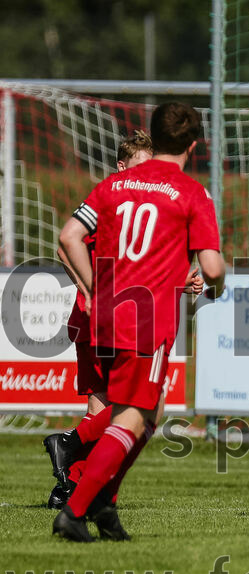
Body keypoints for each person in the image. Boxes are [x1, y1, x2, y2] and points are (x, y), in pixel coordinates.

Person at [53, 102, 225, 542]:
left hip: (108, 314)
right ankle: (76, 508)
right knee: (134, 416)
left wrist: (95, 289)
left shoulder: (112, 185)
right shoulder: (191, 193)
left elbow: (69, 236)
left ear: (154, 134)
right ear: (193, 144)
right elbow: (213, 267)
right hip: (146, 318)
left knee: (145, 412)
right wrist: (218, 287)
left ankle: (105, 504)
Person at [46, 131, 155, 510]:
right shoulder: (108, 196)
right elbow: (65, 244)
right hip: (100, 319)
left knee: (105, 408)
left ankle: (70, 486)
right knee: (135, 406)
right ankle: (77, 468)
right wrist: (91, 292)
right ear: (122, 167)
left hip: (119, 316)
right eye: (141, 168)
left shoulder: (140, 204)